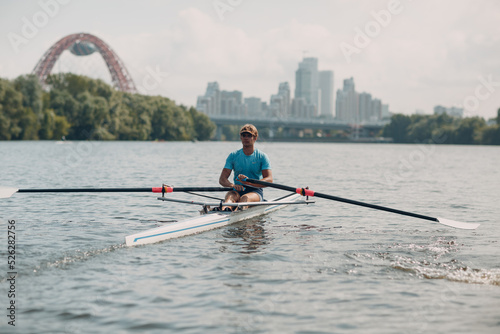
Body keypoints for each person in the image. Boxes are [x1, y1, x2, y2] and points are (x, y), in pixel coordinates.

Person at [218, 124, 273, 210]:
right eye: (244, 135)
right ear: (241, 138)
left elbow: (269, 179)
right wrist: (232, 185)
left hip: (255, 191)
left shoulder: (262, 156)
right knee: (229, 198)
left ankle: (234, 212)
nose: (246, 138)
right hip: (237, 190)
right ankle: (225, 210)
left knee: (244, 198)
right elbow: (222, 180)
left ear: (255, 138)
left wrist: (249, 182)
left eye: (249, 135)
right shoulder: (233, 156)